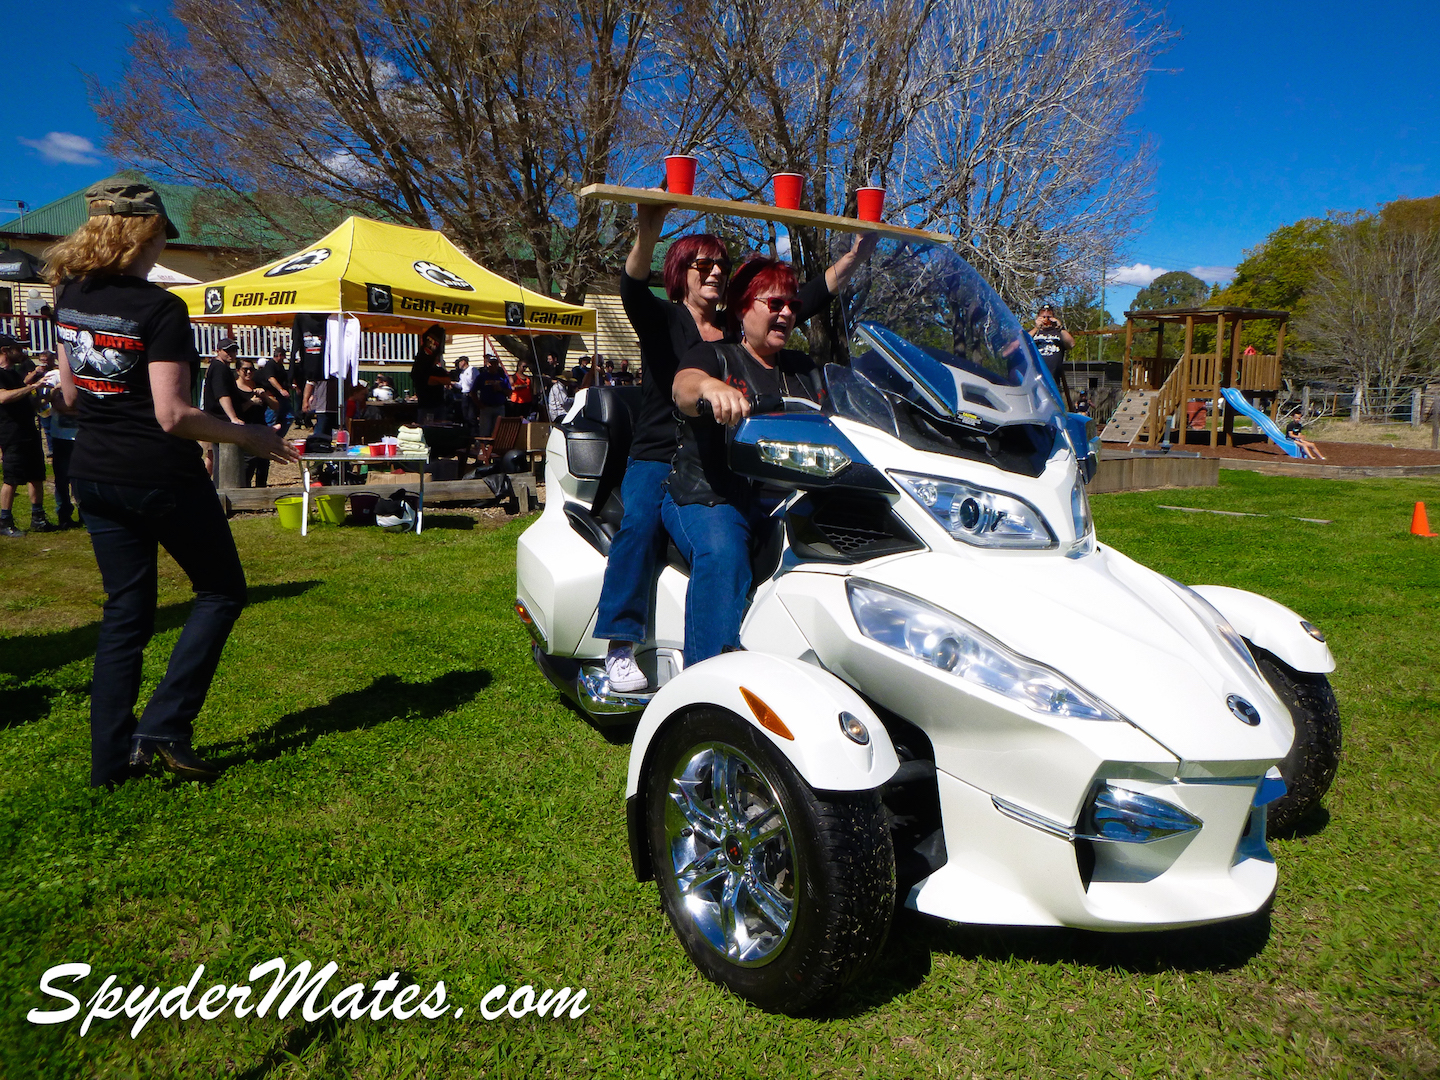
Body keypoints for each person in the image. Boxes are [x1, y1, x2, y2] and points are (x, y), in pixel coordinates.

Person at [47, 174, 297, 787]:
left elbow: (73, 396)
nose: (162, 252)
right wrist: (250, 437)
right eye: (161, 239)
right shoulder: (160, 308)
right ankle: (163, 728)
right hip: (157, 473)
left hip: (94, 472)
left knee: (125, 615)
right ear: (142, 235)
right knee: (220, 592)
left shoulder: (68, 293)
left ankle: (109, 763)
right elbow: (174, 415)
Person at [594, 196, 875, 691]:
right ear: (680, 271)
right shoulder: (664, 319)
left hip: (725, 456)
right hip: (660, 452)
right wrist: (648, 231)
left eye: (722, 266)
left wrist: (851, 261)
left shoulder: (732, 328)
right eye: (704, 265)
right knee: (640, 523)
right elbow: (632, 288)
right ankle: (621, 642)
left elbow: (798, 300)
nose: (717, 273)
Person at [664, 258, 822, 665]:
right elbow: (684, 388)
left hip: (789, 499)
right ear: (743, 308)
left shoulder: (803, 370)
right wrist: (711, 388)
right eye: (774, 303)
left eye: (792, 305)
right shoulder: (716, 356)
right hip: (710, 494)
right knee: (725, 555)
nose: (786, 312)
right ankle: (704, 685)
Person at [0, 335, 54, 536]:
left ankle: (38, 518)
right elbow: (3, 398)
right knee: (12, 478)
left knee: (36, 475)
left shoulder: (14, 375)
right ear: (5, 350)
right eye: (17, 348)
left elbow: (26, 401)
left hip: (28, 431)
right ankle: (4, 520)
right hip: (11, 433)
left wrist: (48, 395)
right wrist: (31, 387)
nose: (21, 351)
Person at [233, 359, 279, 486]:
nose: (248, 372)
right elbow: (234, 412)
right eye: (245, 370)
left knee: (263, 468)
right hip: (245, 433)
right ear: (238, 371)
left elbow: (276, 406)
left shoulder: (259, 385)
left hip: (261, 430)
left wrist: (265, 397)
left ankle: (262, 500)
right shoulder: (234, 388)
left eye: (251, 369)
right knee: (246, 470)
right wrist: (250, 403)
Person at [201, 337, 242, 476]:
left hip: (214, 420)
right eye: (227, 351)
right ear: (218, 351)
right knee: (221, 460)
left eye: (234, 350)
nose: (231, 353)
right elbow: (222, 394)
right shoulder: (219, 368)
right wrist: (233, 418)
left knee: (214, 457)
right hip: (219, 421)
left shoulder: (219, 367)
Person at [410, 325, 451, 425]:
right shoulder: (419, 370)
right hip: (425, 407)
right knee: (425, 431)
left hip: (439, 406)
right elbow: (428, 381)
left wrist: (435, 380)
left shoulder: (438, 370)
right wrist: (437, 380)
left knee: (440, 431)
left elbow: (447, 381)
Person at [1031, 303, 1074, 382]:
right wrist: (1036, 328)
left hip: (1053, 380)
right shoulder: (1032, 333)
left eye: (1049, 317)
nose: (1046, 320)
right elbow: (1022, 343)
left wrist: (1060, 328)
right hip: (1034, 379)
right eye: (1043, 317)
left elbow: (1071, 344)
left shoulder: (1059, 333)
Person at [257, 344, 292, 437]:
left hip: (283, 398)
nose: (283, 359)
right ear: (280, 355)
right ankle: (267, 439)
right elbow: (271, 378)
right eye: (283, 357)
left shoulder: (280, 366)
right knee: (271, 420)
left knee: (289, 417)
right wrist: (281, 390)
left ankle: (278, 438)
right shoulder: (270, 365)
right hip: (273, 396)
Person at [475, 355, 509, 436]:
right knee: (485, 430)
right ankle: (484, 447)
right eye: (491, 364)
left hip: (499, 407)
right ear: (488, 364)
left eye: (495, 364)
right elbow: (473, 391)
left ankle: (495, 447)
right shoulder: (482, 376)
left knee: (498, 431)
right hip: (486, 407)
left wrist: (501, 389)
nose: (493, 366)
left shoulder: (502, 377)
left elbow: (509, 392)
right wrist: (478, 404)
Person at [455, 354, 478, 432]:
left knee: (472, 416)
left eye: (459, 363)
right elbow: (461, 385)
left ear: (463, 362)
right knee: (465, 416)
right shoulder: (462, 373)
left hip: (471, 395)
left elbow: (475, 382)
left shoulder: (473, 370)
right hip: (464, 395)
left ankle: (474, 434)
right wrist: (452, 383)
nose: (458, 365)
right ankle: (467, 433)